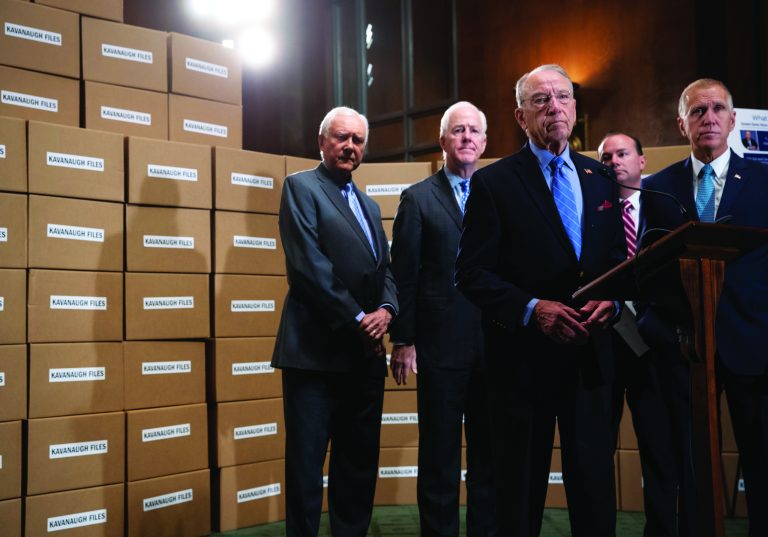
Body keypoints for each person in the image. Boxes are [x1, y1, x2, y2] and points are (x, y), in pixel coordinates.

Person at [455, 64, 626, 537]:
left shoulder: (600, 176)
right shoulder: (494, 182)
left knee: (594, 489)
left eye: (563, 97)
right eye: (541, 100)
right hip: (521, 366)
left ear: (575, 107)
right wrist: (533, 309)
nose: (554, 107)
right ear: (520, 115)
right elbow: (470, 274)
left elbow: (615, 259)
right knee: (519, 495)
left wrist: (612, 300)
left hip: (590, 359)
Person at [637, 78, 768, 537]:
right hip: (684, 350)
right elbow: (647, 270)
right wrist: (660, 329)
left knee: (763, 465)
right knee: (693, 470)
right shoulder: (658, 187)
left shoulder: (764, 181)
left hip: (755, 349)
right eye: (697, 111)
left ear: (733, 121)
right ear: (681, 123)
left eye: (717, 110)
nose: (708, 118)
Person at [272, 106, 398, 537]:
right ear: (322, 141)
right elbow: (309, 266)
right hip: (314, 354)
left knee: (358, 463)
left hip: (364, 356)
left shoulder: (368, 203)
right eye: (342, 137)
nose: (350, 146)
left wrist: (387, 311)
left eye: (358, 140)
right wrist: (358, 315)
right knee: (307, 466)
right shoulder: (300, 187)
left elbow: (387, 269)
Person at [390, 101, 497, 537]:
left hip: (494, 347)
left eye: (474, 130)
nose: (467, 137)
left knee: (489, 457)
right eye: (458, 131)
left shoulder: (497, 193)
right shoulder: (417, 199)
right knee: (439, 458)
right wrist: (404, 339)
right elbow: (405, 274)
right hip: (439, 349)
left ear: (485, 141)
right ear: (443, 141)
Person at [598, 133, 678, 536]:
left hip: (655, 347)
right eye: (606, 156)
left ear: (642, 161)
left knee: (659, 451)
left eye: (622, 153)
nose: (614, 161)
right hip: (606, 344)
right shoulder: (593, 213)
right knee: (597, 451)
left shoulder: (666, 207)